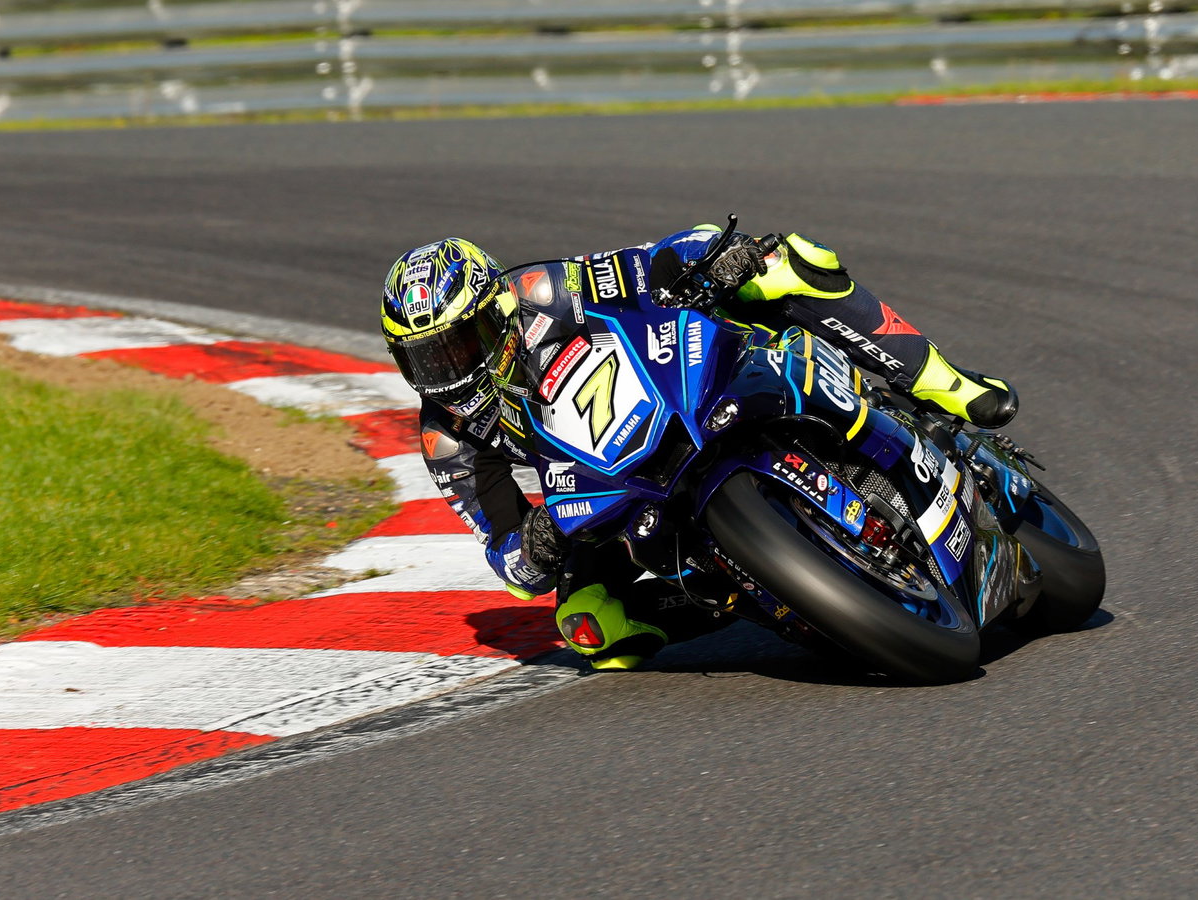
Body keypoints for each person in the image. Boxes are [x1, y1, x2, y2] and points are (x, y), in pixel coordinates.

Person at [380, 226, 1018, 670]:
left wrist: (710, 255)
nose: (447, 371)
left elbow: (643, 263)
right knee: (590, 628)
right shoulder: (449, 436)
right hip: (604, 486)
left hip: (681, 387)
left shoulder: (543, 292)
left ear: (495, 310)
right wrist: (535, 545)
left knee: (785, 264)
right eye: (424, 359)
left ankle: (948, 385)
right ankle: (748, 590)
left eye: (459, 345)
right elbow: (507, 553)